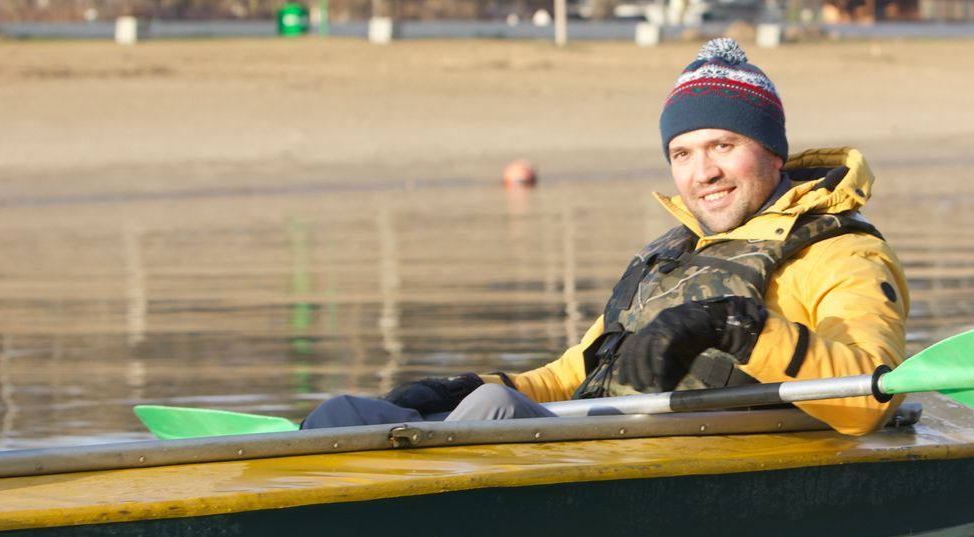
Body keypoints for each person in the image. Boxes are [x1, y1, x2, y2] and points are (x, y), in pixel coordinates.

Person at [303, 38, 909, 437]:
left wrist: (734, 326)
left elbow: (869, 397)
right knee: (346, 414)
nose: (704, 173)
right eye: (683, 153)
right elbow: (577, 372)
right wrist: (469, 384)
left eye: (724, 146)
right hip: (603, 437)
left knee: (491, 419)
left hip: (687, 461)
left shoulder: (842, 254)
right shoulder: (669, 255)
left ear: (772, 152)